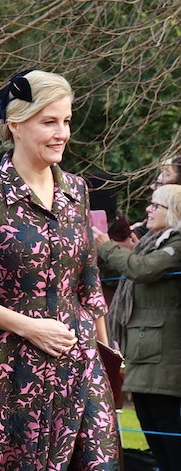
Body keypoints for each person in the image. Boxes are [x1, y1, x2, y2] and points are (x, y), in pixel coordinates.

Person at [0, 70, 120, 469]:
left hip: (80, 367)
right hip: (11, 373)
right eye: (48, 122)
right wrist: (27, 325)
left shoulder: (76, 191)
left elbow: (89, 284)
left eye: (65, 121)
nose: (61, 132)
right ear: (15, 124)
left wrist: (109, 353)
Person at [93, 184, 181, 471]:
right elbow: (127, 266)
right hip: (143, 352)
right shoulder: (149, 242)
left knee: (168, 433)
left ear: (175, 211)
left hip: (165, 358)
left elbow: (141, 269)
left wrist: (106, 245)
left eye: (157, 205)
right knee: (152, 428)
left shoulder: (177, 245)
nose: (148, 210)